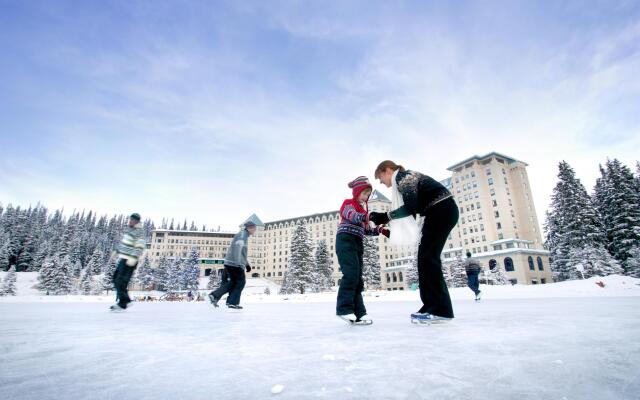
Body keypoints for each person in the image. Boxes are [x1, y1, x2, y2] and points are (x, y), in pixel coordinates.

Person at [369, 161, 459, 324]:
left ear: (388, 170)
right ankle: (432, 305)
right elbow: (413, 208)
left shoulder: (404, 177)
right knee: (425, 259)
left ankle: (440, 309)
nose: (382, 183)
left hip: (441, 210)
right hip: (438, 211)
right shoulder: (405, 178)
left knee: (428, 258)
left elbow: (410, 207)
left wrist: (384, 216)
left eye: (380, 178)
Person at [336, 176, 390, 325]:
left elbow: (366, 229)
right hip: (345, 240)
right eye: (364, 193)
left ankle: (360, 313)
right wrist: (368, 216)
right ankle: (344, 308)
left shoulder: (363, 210)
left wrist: (381, 230)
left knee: (358, 278)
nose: (366, 197)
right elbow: (351, 216)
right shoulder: (348, 204)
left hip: (357, 242)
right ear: (357, 192)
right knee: (351, 274)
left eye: (368, 194)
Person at [208, 221, 256, 309]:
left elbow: (242, 252)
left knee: (233, 282)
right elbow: (238, 247)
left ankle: (217, 297)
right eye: (254, 228)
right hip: (234, 263)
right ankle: (228, 301)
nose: (255, 230)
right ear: (249, 228)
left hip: (232, 262)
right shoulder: (243, 235)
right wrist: (237, 263)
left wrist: (247, 264)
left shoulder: (244, 235)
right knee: (240, 282)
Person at [110, 213, 146, 311]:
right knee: (115, 279)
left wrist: (134, 258)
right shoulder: (129, 230)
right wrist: (117, 251)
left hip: (130, 260)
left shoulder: (139, 232)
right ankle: (125, 301)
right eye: (130, 219)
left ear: (137, 221)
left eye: (132, 220)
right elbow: (124, 244)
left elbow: (140, 246)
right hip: (123, 258)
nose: (130, 221)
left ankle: (124, 302)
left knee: (121, 280)